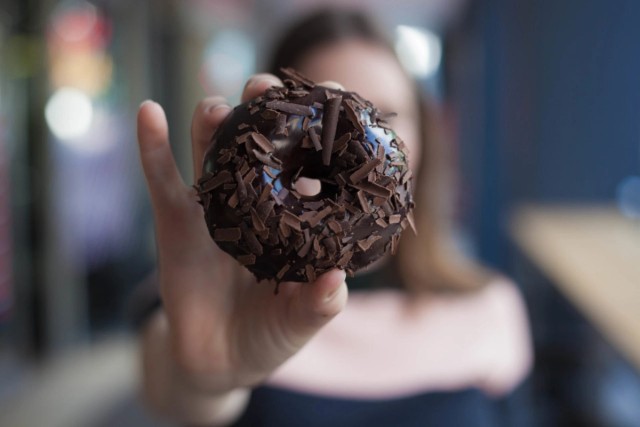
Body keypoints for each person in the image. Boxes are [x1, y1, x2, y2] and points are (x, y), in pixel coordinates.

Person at [135, 8, 532, 426]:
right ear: (268, 138)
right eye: (325, 119)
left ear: (424, 142)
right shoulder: (219, 300)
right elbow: (169, 390)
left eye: (384, 118)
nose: (363, 145)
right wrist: (205, 383)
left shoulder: (488, 308)